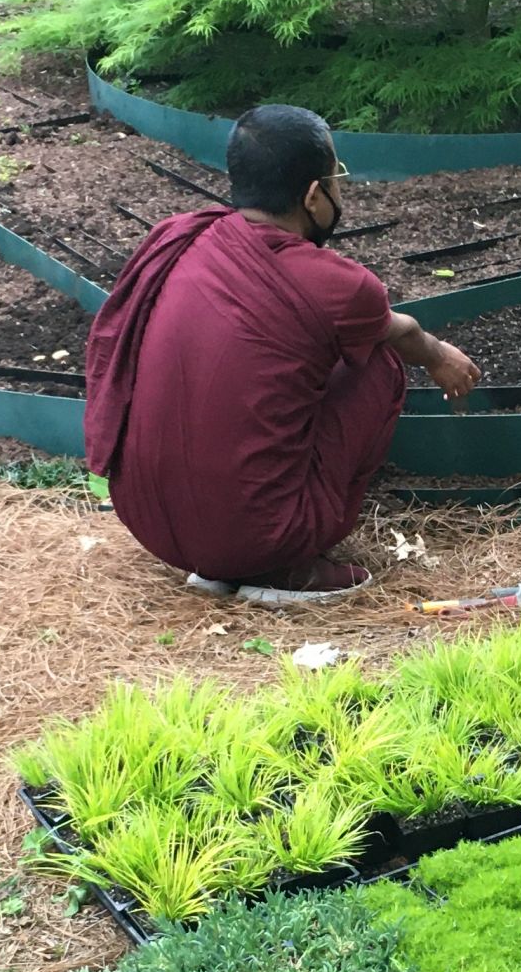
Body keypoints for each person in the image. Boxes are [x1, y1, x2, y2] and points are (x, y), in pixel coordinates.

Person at [81, 104, 482, 605]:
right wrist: (438, 355)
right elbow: (398, 331)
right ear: (314, 196)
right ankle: (283, 567)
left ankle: (220, 559)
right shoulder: (338, 284)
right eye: (337, 179)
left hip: (147, 520)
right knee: (377, 364)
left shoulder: (180, 238)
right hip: (252, 536)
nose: (340, 190)